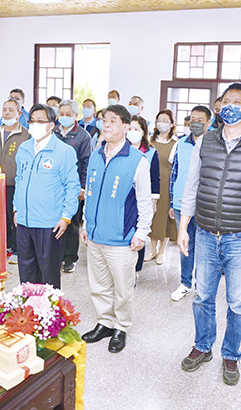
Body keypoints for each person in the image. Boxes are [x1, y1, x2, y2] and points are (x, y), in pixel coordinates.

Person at [178, 83, 241, 386]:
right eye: (226, 101)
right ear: (219, 107)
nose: (231, 106)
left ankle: (231, 353)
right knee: (203, 297)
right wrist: (183, 227)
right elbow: (191, 186)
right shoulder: (205, 141)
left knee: (236, 302)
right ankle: (203, 346)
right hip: (205, 233)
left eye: (238, 102)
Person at [80, 105, 153, 354]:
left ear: (125, 126)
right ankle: (104, 322)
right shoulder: (95, 156)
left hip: (122, 239)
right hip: (96, 235)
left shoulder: (137, 161)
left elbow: (145, 202)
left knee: (122, 288)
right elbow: (89, 195)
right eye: (104, 120)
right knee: (98, 285)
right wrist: (85, 223)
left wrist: (141, 233)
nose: (107, 125)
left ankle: (121, 326)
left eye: (113, 121)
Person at [13, 104, 80, 289]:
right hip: (24, 222)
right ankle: (28, 314)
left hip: (49, 224)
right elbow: (19, 180)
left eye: (40, 121)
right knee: (26, 275)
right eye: (32, 121)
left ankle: (49, 315)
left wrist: (66, 217)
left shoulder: (64, 151)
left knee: (48, 277)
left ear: (51, 125)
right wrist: (16, 208)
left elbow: (73, 187)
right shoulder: (24, 148)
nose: (35, 125)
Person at [168, 105, 212, 301]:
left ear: (208, 123)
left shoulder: (214, 143)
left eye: (200, 120)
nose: (195, 123)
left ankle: (202, 285)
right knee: (185, 244)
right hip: (180, 202)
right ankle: (185, 283)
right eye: (192, 119)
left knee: (204, 246)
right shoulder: (180, 143)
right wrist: (171, 200)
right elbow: (174, 173)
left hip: (204, 204)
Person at [0, 98, 31, 264]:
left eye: (11, 110)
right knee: (0, 216)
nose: (7, 112)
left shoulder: (26, 135)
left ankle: (17, 249)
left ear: (19, 113)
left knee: (15, 217)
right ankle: (2, 247)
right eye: (4, 109)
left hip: (16, 183)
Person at [56, 99, 93, 274]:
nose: (63, 117)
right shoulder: (52, 132)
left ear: (75, 116)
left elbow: (87, 164)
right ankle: (55, 255)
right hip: (54, 186)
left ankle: (70, 258)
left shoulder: (83, 136)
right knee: (54, 221)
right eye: (61, 114)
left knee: (71, 224)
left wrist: (83, 187)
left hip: (74, 188)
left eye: (67, 115)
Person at [126, 116, 160, 279]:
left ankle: (136, 269)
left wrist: (153, 201)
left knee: (140, 231)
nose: (132, 132)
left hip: (143, 199)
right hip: (125, 198)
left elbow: (155, 179)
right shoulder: (121, 149)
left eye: (137, 129)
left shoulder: (151, 152)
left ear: (144, 132)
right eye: (130, 128)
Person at [146, 110, 178, 264]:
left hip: (167, 184)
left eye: (165, 120)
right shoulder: (149, 141)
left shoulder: (176, 143)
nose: (162, 123)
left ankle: (162, 251)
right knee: (153, 216)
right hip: (151, 183)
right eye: (159, 120)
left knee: (164, 217)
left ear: (172, 123)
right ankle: (152, 248)